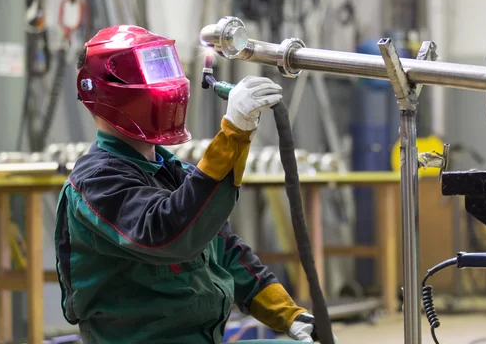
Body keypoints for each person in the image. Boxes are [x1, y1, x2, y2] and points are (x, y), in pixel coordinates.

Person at [54, 25, 322, 343]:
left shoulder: (171, 171)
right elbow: (171, 232)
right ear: (107, 89)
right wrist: (233, 133)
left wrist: (288, 314)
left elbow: (224, 250)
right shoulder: (96, 182)